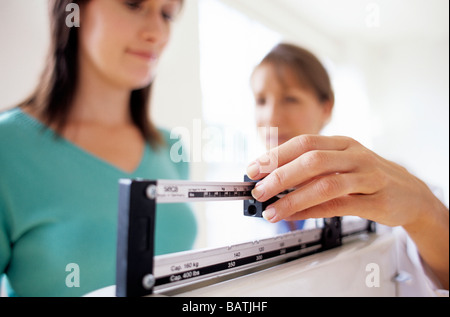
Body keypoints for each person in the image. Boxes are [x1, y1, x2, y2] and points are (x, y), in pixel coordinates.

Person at [0, 0, 197, 297]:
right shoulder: (8, 147)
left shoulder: (172, 148)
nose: (157, 32)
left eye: (167, 15)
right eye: (133, 4)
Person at [247, 43, 449, 293]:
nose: (271, 116)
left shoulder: (384, 183)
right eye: (261, 100)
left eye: (290, 99)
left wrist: (424, 210)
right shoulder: (247, 204)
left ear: (326, 108)